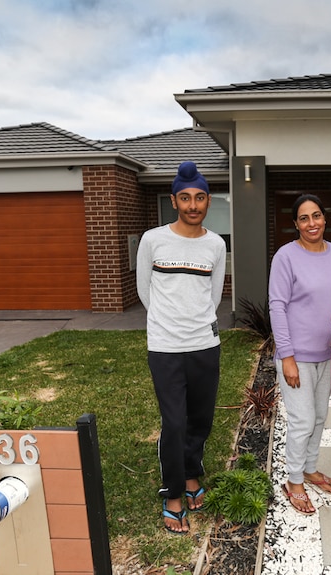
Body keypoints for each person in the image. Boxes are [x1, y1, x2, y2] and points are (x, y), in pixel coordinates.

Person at [136, 161, 227, 534]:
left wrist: (193, 323)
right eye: (186, 198)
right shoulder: (153, 240)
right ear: (174, 200)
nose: (193, 205)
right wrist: (167, 323)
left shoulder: (216, 244)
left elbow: (215, 294)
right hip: (165, 346)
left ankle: (192, 475)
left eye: (200, 198)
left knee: (199, 420)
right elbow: (145, 292)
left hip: (205, 344)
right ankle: (174, 495)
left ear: (208, 201)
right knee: (174, 423)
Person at [269, 194, 331, 514]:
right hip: (297, 356)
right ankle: (293, 479)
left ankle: (310, 467)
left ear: (325, 219)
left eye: (316, 216)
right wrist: (286, 356)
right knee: (302, 420)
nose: (312, 223)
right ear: (295, 224)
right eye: (304, 218)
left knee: (318, 417)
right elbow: (277, 305)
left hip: (329, 354)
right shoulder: (286, 257)